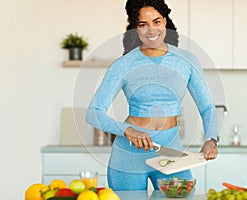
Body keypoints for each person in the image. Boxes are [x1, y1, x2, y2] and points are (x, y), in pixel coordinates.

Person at [86, 0, 218, 191]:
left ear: (165, 21)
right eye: (143, 25)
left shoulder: (186, 60)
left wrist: (210, 139)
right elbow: (93, 112)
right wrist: (127, 130)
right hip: (129, 155)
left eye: (156, 22)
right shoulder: (123, 64)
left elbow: (207, 107)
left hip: (170, 151)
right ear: (135, 28)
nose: (151, 30)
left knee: (183, 195)